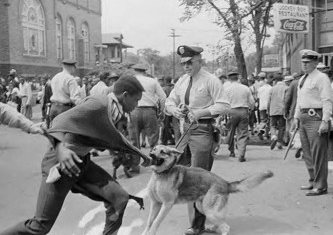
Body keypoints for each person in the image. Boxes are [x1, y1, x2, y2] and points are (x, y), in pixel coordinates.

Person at [1, 75, 151, 235]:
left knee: (119, 198)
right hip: (60, 164)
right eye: (136, 100)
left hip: (81, 163)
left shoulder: (115, 109)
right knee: (39, 227)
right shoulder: (98, 104)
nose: (137, 105)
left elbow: (115, 138)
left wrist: (141, 155)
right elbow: (59, 121)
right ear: (125, 95)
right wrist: (60, 148)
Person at [165, 45, 230, 235]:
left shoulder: (211, 80)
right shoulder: (182, 81)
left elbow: (225, 105)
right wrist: (173, 109)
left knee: (199, 179)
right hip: (183, 131)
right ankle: (195, 222)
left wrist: (201, 112)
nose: (186, 66)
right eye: (183, 63)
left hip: (202, 130)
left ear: (200, 61)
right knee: (183, 178)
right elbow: (170, 100)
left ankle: (198, 224)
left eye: (190, 62)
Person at [291, 49, 333, 197]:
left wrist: (325, 121)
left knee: (318, 153)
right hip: (303, 117)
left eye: (308, 62)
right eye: (303, 62)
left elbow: (327, 100)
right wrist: (296, 118)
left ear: (316, 63)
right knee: (307, 152)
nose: (305, 65)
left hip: (316, 117)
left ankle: (321, 185)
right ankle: (312, 180)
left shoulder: (322, 78)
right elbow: (299, 101)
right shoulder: (303, 79)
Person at [127, 63, 166, 173]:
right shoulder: (152, 81)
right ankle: (157, 165)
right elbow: (163, 97)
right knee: (153, 140)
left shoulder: (130, 81)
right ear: (145, 71)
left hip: (133, 110)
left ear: (135, 70)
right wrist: (161, 111)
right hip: (150, 111)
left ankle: (134, 166)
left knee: (133, 140)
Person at [225, 68, 254, 161]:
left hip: (231, 111)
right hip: (243, 111)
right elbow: (252, 102)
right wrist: (251, 109)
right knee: (242, 133)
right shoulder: (245, 88)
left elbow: (223, 102)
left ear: (229, 79)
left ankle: (231, 151)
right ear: (238, 78)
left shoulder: (226, 89)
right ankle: (241, 153)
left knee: (230, 131)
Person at [268, 73, 288, 150]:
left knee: (272, 125)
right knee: (282, 127)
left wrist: (268, 109)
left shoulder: (272, 89)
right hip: (282, 110)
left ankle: (273, 136)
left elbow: (269, 101)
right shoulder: (286, 88)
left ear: (275, 81)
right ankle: (279, 143)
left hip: (273, 110)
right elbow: (287, 100)